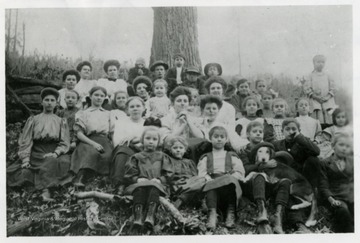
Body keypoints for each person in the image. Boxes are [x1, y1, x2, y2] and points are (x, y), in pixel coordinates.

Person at [7, 88, 71, 201]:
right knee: (23, 170)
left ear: (56, 103)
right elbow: (26, 140)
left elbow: (64, 142)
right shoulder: (33, 119)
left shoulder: (61, 121)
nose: (49, 103)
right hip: (36, 150)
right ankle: (45, 191)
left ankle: (50, 190)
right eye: (47, 100)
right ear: (42, 102)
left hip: (54, 149)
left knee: (59, 162)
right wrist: (25, 158)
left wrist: (56, 153)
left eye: (52, 100)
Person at [272, 118, 321, 233]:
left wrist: (299, 137)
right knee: (289, 194)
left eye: (294, 129)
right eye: (287, 129)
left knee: (314, 160)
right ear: (282, 131)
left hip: (304, 179)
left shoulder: (303, 142)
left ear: (299, 131)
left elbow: (317, 151)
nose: (290, 131)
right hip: (286, 179)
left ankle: (314, 205)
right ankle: (298, 225)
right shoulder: (277, 144)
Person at [124, 126, 174, 229]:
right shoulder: (136, 157)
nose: (151, 142)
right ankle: (138, 217)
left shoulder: (162, 156)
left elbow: (169, 173)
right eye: (148, 138)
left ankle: (150, 216)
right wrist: (137, 179)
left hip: (157, 184)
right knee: (139, 190)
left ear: (158, 142)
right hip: (141, 183)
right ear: (142, 140)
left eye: (154, 139)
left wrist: (160, 180)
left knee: (154, 189)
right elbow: (130, 174)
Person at [197, 126, 245, 230]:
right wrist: (207, 178)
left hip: (228, 185)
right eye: (216, 136)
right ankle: (212, 214)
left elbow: (240, 172)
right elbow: (202, 173)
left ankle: (231, 213)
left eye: (222, 137)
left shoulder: (232, 155)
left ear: (226, 139)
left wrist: (230, 177)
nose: (219, 139)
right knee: (210, 184)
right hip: (213, 186)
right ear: (210, 138)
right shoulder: (205, 157)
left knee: (231, 182)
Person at [242, 141, 292, 234]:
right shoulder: (250, 161)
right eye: (260, 151)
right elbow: (245, 169)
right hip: (254, 189)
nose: (263, 155)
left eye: (267, 152)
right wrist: (260, 166)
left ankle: (278, 218)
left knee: (285, 181)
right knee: (259, 175)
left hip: (268, 188)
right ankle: (262, 211)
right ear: (256, 154)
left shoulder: (273, 163)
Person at [70, 86, 113, 187]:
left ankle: (103, 179)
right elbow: (79, 133)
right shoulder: (83, 113)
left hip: (104, 140)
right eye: (96, 95)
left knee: (108, 155)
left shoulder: (108, 114)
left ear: (105, 98)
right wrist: (93, 144)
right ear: (90, 96)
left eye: (102, 96)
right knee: (91, 152)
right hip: (87, 140)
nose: (99, 98)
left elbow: (111, 132)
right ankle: (80, 178)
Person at [110, 97, 147, 195]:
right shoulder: (121, 122)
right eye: (132, 106)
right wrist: (137, 140)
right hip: (125, 149)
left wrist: (134, 137)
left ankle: (133, 185)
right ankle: (119, 184)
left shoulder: (149, 123)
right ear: (127, 110)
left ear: (143, 108)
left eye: (138, 106)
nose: (135, 108)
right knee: (122, 152)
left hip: (143, 150)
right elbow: (118, 141)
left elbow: (152, 139)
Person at [318, 133, 353, 232]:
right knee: (343, 211)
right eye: (341, 145)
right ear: (333, 146)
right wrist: (332, 200)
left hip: (351, 195)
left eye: (347, 146)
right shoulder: (325, 163)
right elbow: (323, 186)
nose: (344, 148)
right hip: (336, 197)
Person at [164, 136, 204, 209]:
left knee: (202, 180)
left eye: (181, 148)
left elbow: (195, 176)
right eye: (175, 148)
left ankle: (180, 200)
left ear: (185, 150)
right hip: (176, 185)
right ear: (170, 150)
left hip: (189, 184)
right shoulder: (169, 160)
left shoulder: (189, 162)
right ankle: (181, 197)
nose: (178, 150)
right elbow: (168, 175)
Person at [303, 54, 337, 128]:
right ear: (314, 63)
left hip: (327, 100)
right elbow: (307, 88)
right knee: (317, 119)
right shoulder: (310, 75)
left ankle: (328, 131)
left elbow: (333, 87)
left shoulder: (328, 75)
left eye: (323, 62)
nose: (320, 64)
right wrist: (316, 97)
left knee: (328, 117)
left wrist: (327, 97)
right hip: (315, 100)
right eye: (318, 62)